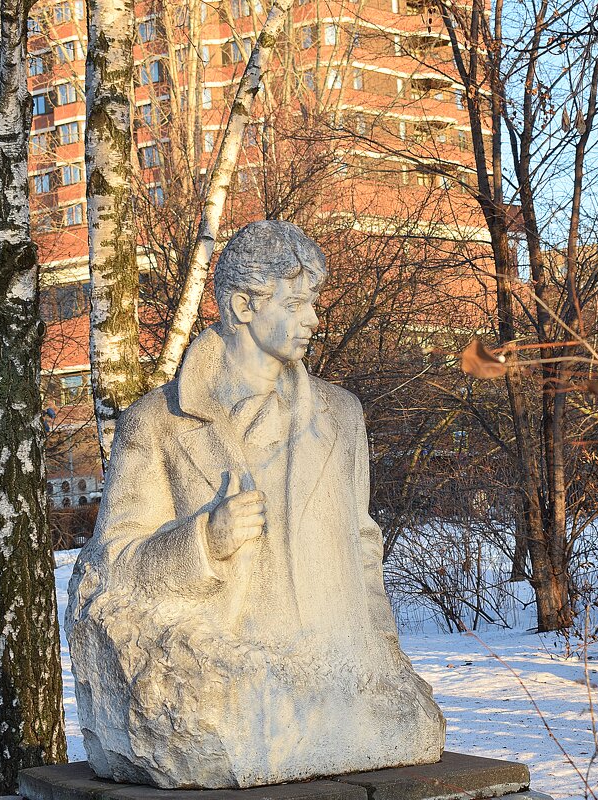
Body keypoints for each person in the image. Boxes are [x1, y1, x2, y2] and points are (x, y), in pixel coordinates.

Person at [66, 220, 445, 790]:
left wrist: (385, 658)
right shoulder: (157, 423)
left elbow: (362, 547)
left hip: (343, 686)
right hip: (227, 690)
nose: (314, 319)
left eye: (313, 302)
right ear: (243, 305)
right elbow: (113, 564)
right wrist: (205, 541)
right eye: (296, 304)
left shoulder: (342, 417)